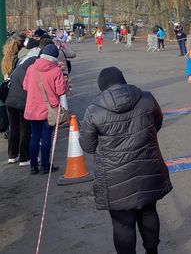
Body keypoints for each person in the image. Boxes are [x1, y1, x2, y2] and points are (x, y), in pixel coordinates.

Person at [79, 67, 173, 254]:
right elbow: (157, 123)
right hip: (148, 167)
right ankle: (152, 251)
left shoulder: (94, 111)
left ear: (102, 87)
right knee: (148, 211)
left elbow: (88, 146)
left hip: (115, 176)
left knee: (123, 223)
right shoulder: (146, 98)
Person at [22, 43, 68, 174]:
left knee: (34, 137)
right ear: (54, 57)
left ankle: (33, 165)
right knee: (47, 137)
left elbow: (25, 86)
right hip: (49, 110)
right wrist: (65, 84)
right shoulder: (56, 71)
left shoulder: (31, 68)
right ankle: (45, 165)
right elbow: (60, 91)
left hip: (32, 108)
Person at [5, 36, 33, 166]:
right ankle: (24, 157)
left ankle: (12, 155)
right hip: (20, 96)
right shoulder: (20, 61)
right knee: (24, 129)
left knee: (14, 128)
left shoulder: (6, 59)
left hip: (9, 96)